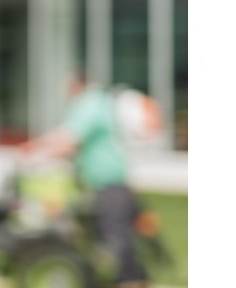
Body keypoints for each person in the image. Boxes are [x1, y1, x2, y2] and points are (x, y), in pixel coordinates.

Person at [20, 72, 148, 288]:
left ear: (76, 86)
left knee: (115, 234)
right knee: (105, 232)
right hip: (107, 180)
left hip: (108, 179)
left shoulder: (89, 103)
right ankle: (125, 277)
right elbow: (63, 135)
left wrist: (35, 157)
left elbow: (69, 141)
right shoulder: (98, 103)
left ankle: (130, 281)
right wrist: (36, 144)